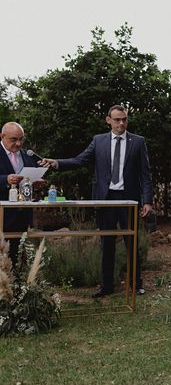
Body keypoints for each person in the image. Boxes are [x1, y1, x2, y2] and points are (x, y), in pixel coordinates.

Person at [39, 105, 153, 298]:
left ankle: (136, 284)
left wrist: (147, 201)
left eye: (124, 119)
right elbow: (80, 160)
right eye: (117, 119)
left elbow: (146, 174)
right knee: (106, 243)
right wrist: (56, 163)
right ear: (108, 120)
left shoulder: (138, 142)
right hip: (105, 199)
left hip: (129, 200)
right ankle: (106, 286)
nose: (121, 123)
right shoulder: (98, 141)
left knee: (131, 243)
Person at [0, 122, 40, 266]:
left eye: (21, 139)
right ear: (2, 136)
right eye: (13, 139)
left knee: (17, 255)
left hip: (22, 213)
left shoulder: (26, 154)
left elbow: (27, 177)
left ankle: (16, 285)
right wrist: (6, 179)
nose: (18, 143)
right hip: (2, 214)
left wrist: (35, 181)